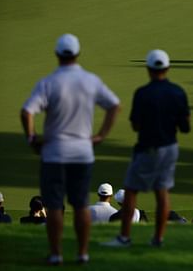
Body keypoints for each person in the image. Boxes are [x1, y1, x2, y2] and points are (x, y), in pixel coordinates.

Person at [20, 33, 121, 265]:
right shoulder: (90, 80)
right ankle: (82, 253)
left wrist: (32, 139)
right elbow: (114, 105)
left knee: (54, 206)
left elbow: (27, 112)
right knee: (80, 205)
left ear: (57, 54)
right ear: (77, 54)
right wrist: (101, 136)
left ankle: (56, 254)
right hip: (82, 153)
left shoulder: (48, 81)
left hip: (54, 153)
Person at [103, 49, 190, 248]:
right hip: (169, 148)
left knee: (131, 191)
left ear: (149, 69)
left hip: (147, 147)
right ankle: (158, 239)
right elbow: (185, 127)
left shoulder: (142, 93)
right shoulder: (178, 92)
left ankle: (124, 237)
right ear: (167, 68)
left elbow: (135, 125)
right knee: (162, 192)